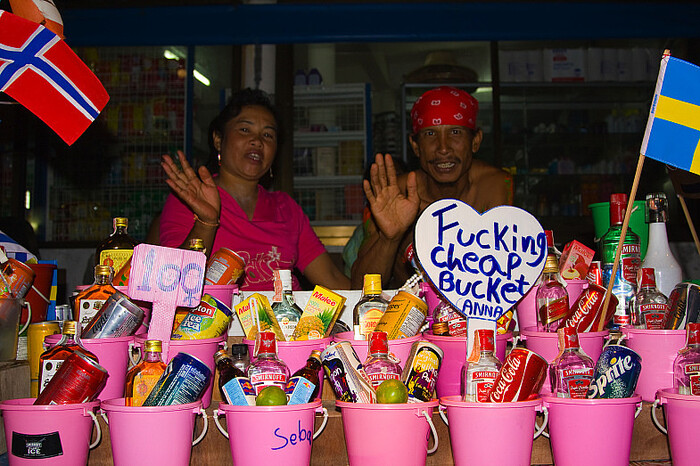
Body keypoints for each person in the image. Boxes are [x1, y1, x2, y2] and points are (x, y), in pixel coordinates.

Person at [159, 88, 350, 291]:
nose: (258, 141)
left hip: (286, 312)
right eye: (244, 130)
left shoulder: (286, 208)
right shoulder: (191, 199)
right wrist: (206, 223)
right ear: (218, 140)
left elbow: (332, 278)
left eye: (268, 135)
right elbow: (172, 284)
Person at [352, 86, 512, 289]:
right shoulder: (395, 194)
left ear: (475, 141)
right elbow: (359, 288)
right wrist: (390, 239)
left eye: (455, 132)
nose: (443, 148)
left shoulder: (495, 185)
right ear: (415, 146)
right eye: (430, 134)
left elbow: (507, 274)